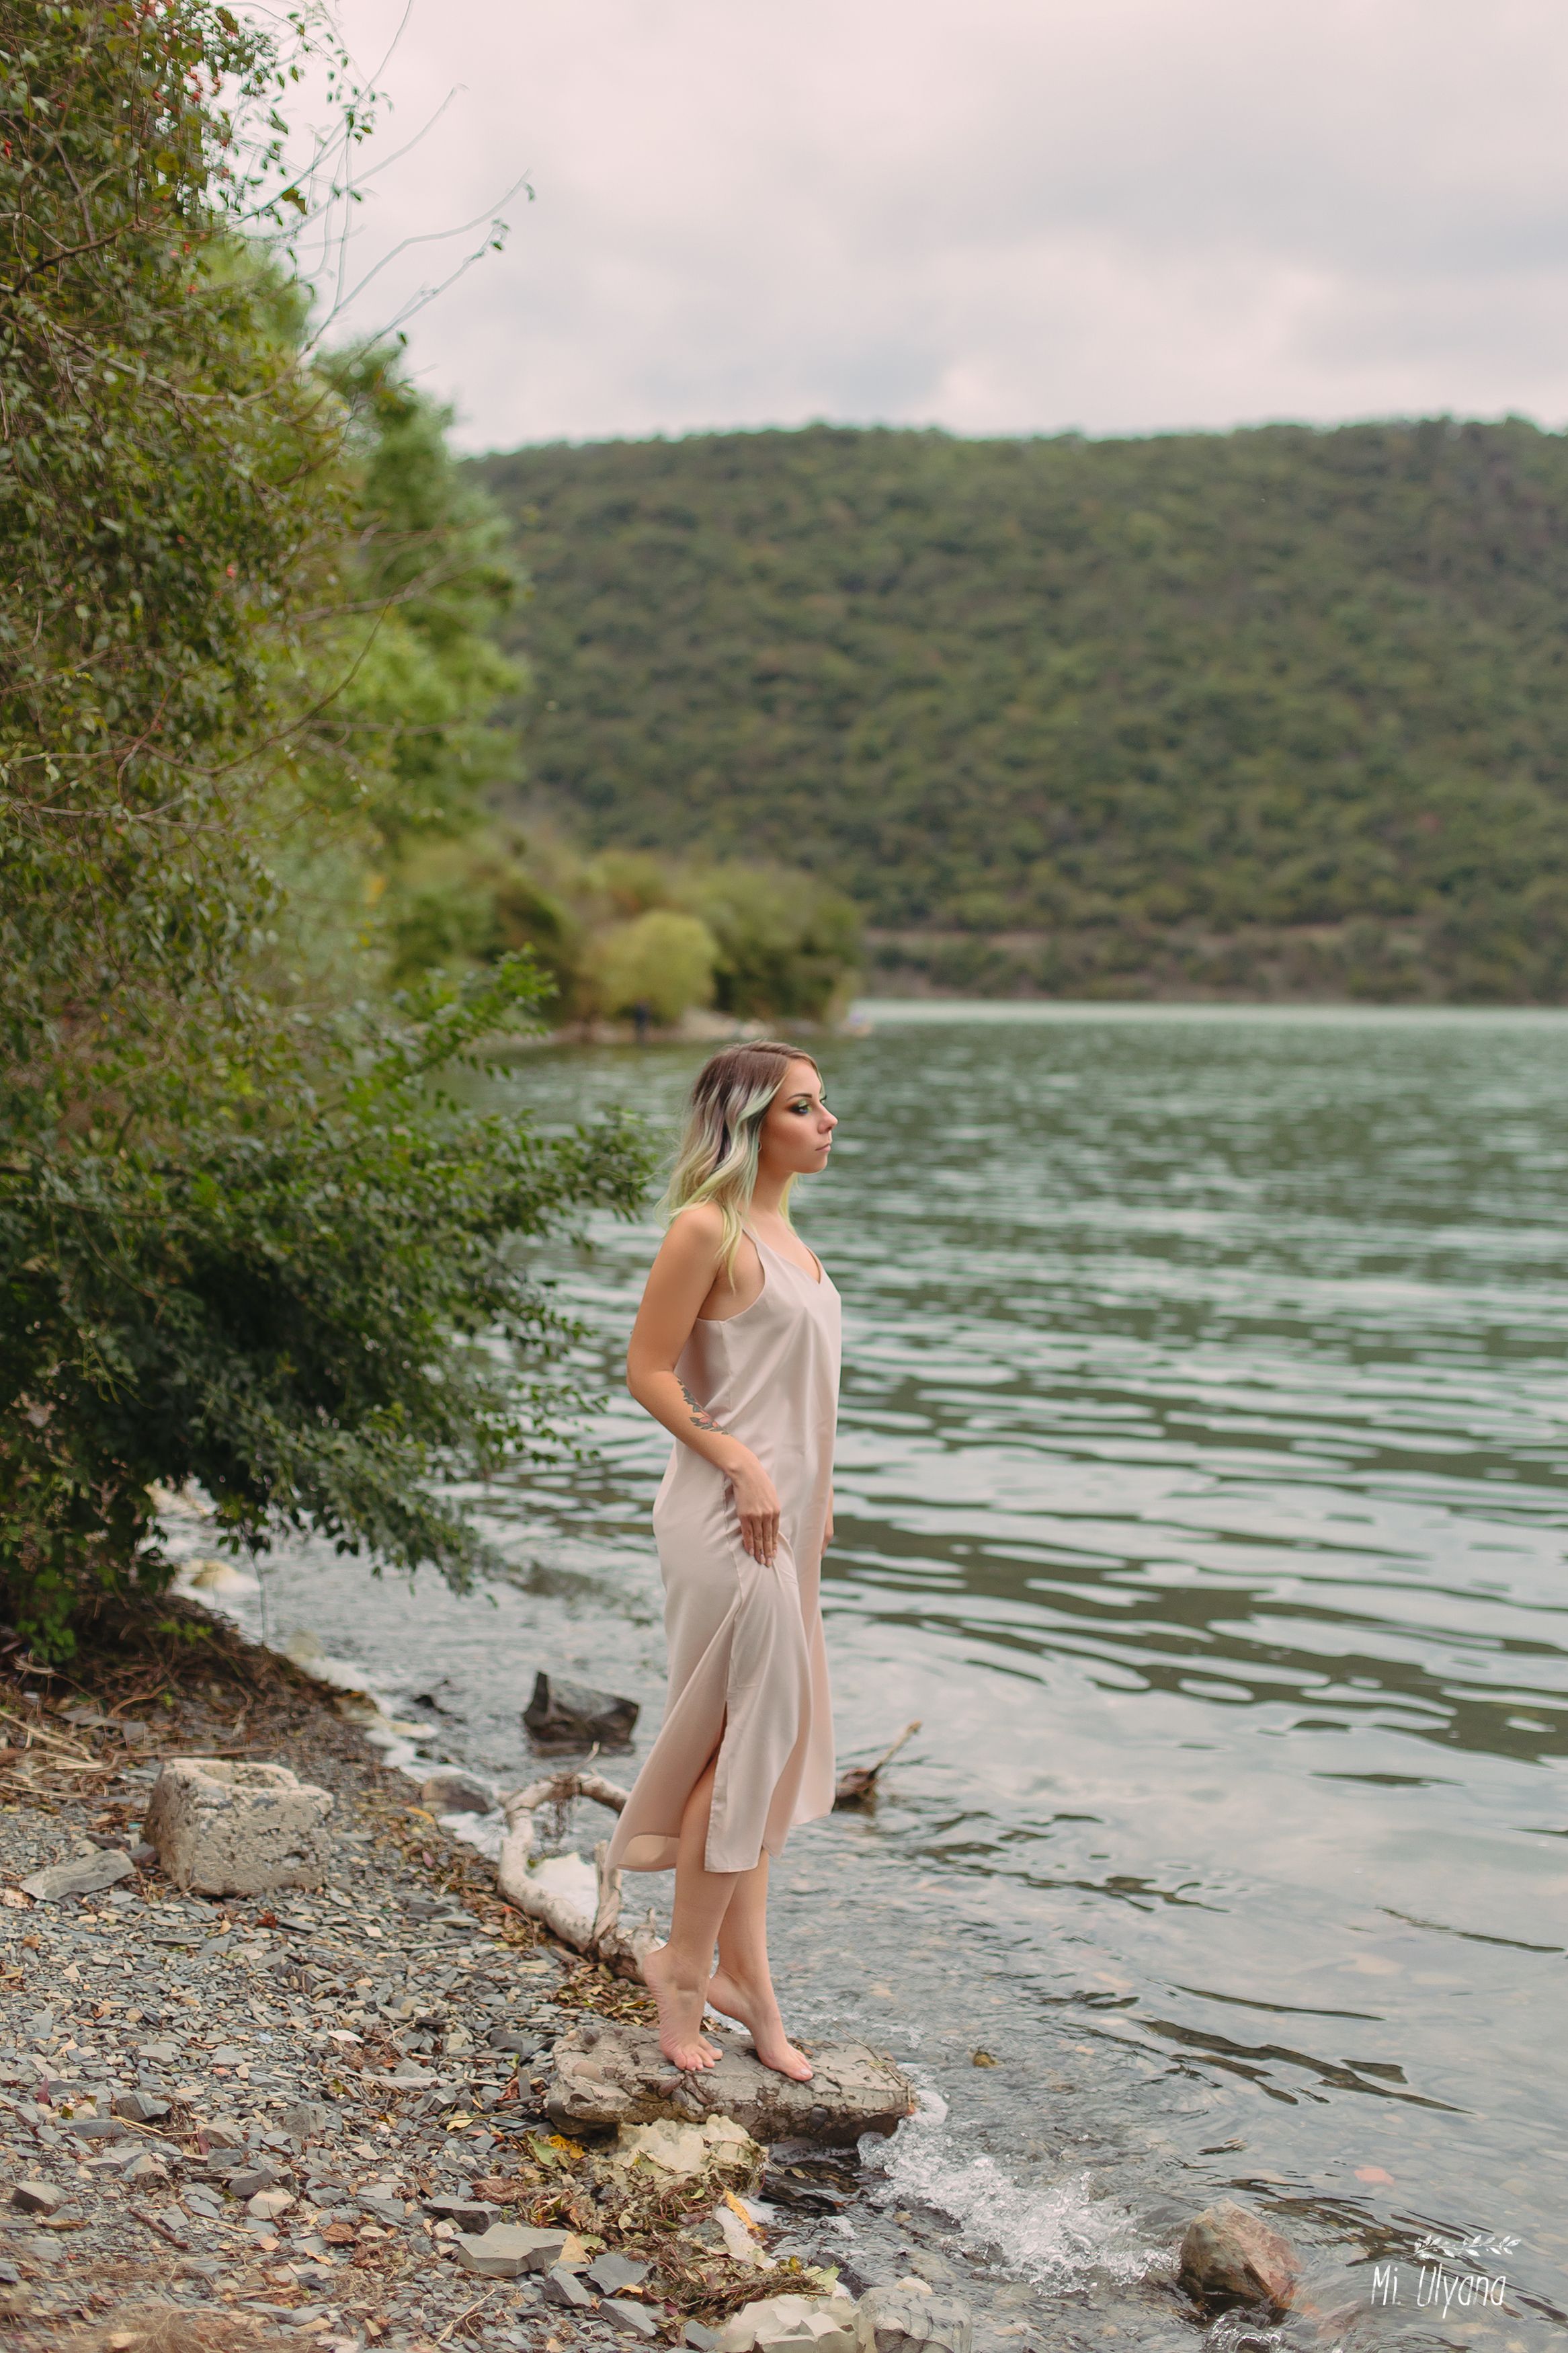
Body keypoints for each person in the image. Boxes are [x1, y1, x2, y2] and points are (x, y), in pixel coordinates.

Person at [607, 1041, 840, 2079]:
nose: (826, 1121)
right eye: (802, 1106)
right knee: (743, 1753)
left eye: (822, 1103)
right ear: (748, 1125)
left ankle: (745, 1979)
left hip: (787, 1525)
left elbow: (801, 1398)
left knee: (756, 1752)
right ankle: (685, 1969)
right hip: (727, 1518)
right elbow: (647, 1369)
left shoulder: (792, 1238)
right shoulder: (708, 1227)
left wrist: (821, 1499)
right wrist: (739, 1461)